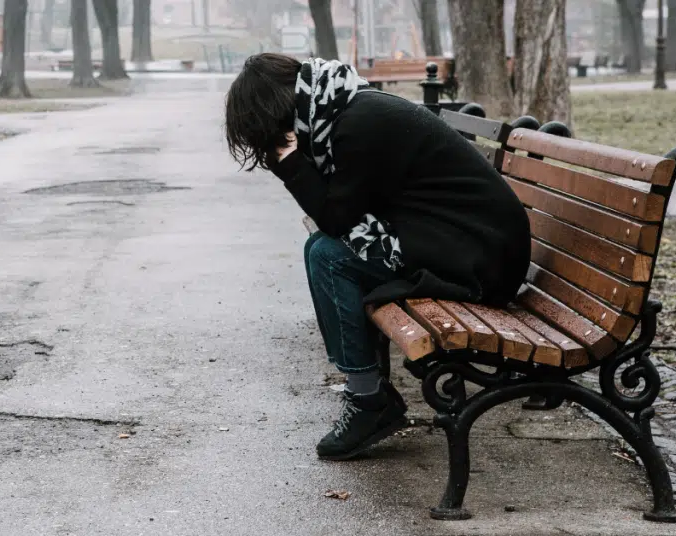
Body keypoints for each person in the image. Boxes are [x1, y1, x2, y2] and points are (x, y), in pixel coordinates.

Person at [224, 53, 532, 461]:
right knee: (321, 249)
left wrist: (291, 163)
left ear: (279, 110)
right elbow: (343, 213)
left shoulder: (358, 124)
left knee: (329, 256)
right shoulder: (346, 108)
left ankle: (369, 400)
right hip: (462, 242)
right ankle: (366, 386)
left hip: (480, 258)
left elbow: (336, 218)